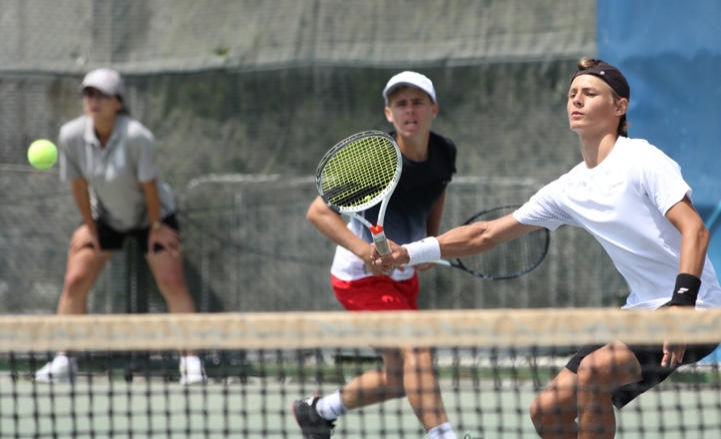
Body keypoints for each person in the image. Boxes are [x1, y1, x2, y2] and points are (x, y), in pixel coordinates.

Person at [374, 58, 721, 438]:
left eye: (590, 94)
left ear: (619, 107)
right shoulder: (569, 188)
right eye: (573, 94)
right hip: (641, 312)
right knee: (547, 413)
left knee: (595, 372)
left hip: (697, 310)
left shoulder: (642, 159)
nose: (577, 100)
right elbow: (486, 234)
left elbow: (696, 230)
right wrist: (409, 252)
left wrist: (680, 312)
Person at [293, 71, 461, 439]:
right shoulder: (373, 161)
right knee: (417, 347)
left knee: (403, 377)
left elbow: (437, 189)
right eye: (401, 104)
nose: (410, 110)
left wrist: (430, 241)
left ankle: (318, 411)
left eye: (417, 101)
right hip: (359, 278)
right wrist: (364, 251)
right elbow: (318, 212)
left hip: (403, 274)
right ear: (389, 114)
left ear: (433, 108)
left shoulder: (444, 152)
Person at [34, 68, 206, 386]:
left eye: (101, 94)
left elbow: (150, 186)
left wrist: (156, 226)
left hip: (151, 215)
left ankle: (190, 361)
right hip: (107, 217)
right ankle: (65, 358)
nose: (92, 100)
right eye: (88, 93)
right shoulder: (71, 135)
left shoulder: (137, 136)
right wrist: (91, 227)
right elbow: (78, 185)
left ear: (118, 102)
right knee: (75, 278)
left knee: (171, 280)